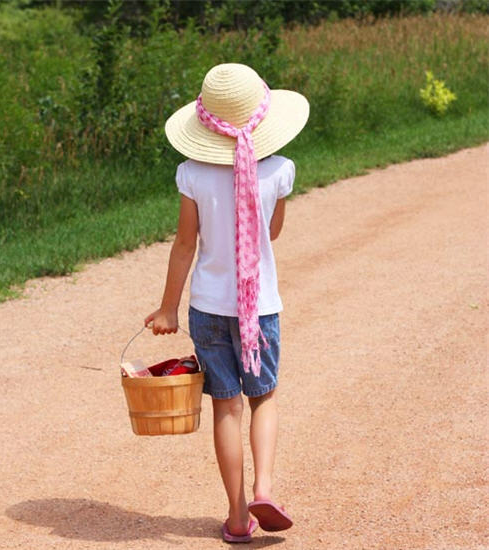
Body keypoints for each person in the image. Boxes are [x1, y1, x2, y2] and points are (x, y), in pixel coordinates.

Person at [144, 63, 309, 543]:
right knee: (265, 399)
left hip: (209, 309)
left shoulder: (191, 173)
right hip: (260, 308)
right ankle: (265, 488)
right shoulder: (279, 169)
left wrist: (168, 309)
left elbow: (183, 245)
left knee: (226, 409)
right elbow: (272, 233)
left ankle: (238, 516)